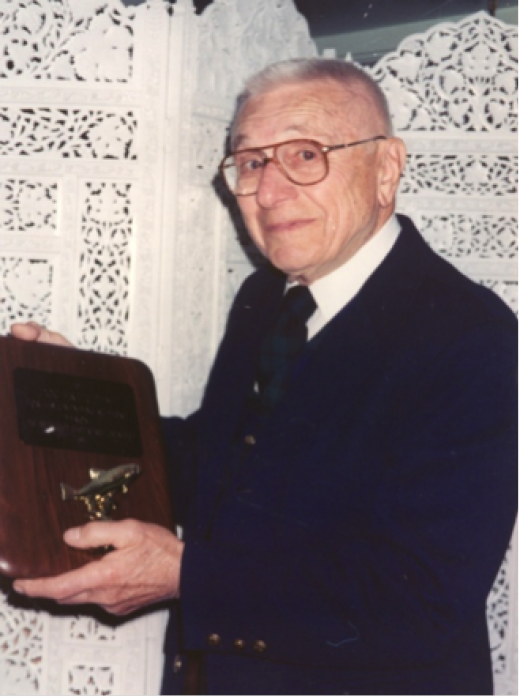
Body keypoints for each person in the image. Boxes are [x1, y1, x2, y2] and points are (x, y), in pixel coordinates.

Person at [11, 59, 517, 696]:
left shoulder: (468, 333)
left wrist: (185, 576)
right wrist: (61, 389)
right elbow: (216, 467)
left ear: (386, 168)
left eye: (305, 154)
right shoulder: (266, 299)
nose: (270, 192)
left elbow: (421, 596)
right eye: (250, 163)